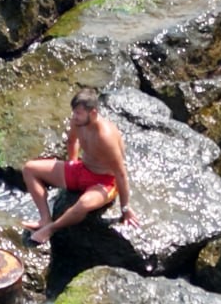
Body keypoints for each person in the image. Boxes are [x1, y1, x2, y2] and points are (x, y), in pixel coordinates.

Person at [20, 86, 140, 246]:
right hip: (82, 168)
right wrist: (72, 162)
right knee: (29, 169)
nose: (74, 116)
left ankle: (51, 229)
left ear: (93, 113)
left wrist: (125, 209)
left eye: (78, 113)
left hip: (104, 181)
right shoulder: (78, 123)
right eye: (74, 112)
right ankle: (44, 219)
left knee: (83, 204)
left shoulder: (105, 137)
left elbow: (121, 173)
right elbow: (72, 141)